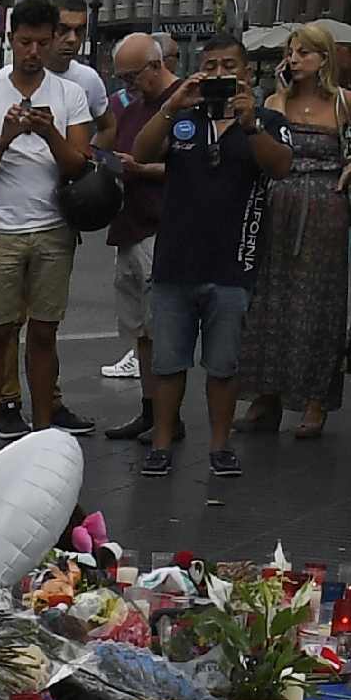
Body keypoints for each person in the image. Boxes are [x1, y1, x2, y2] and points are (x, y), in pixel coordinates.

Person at [0, 0, 102, 456]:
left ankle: (41, 436)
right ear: (10, 40)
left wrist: (51, 132)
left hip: (54, 228)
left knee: (43, 332)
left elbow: (79, 165)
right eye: (24, 42)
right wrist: (7, 139)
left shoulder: (69, 94)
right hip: (1, 230)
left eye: (42, 41)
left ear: (55, 39)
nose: (33, 51)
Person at [241, 25, 351, 476]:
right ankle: (267, 393)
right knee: (270, 300)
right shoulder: (274, 102)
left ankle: (315, 401)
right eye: (291, 51)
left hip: (324, 206)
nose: (295, 58)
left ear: (324, 58)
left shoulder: (345, 102)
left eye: (304, 51)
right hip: (278, 203)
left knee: (318, 304)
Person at [130, 33, 263, 489]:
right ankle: (162, 444)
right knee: (168, 362)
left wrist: (250, 125)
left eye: (230, 65)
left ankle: (220, 446)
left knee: (223, 365)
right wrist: (172, 106)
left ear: (247, 72)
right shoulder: (183, 118)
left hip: (232, 263)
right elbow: (141, 154)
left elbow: (279, 166)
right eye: (211, 66)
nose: (221, 74)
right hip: (176, 261)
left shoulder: (262, 120)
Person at [90, 29, 171, 392]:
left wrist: (141, 169)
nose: (127, 85)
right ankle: (149, 410)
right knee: (139, 329)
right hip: (129, 225)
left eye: (132, 77)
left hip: (160, 227)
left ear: (155, 66)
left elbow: (192, 168)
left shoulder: (180, 103)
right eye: (121, 78)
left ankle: (165, 420)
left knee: (160, 329)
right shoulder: (131, 106)